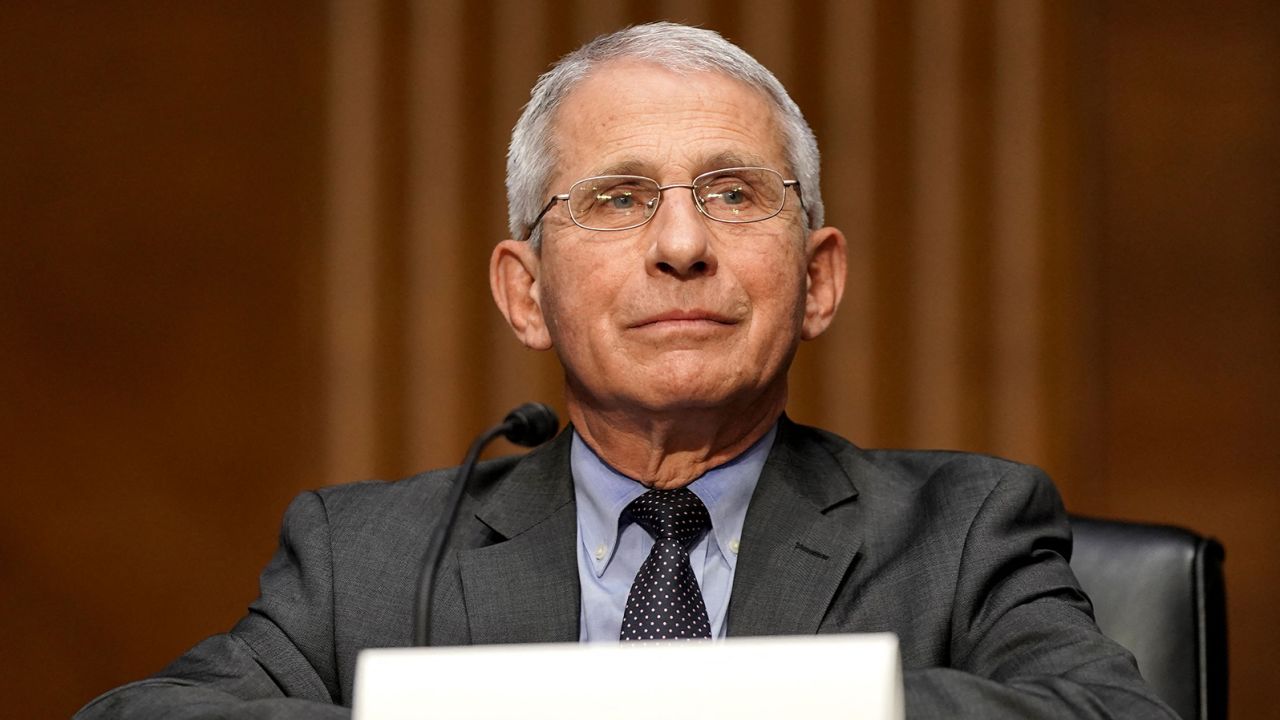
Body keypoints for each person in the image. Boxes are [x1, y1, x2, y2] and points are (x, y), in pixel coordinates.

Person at [76, 22, 1176, 720]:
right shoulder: (365, 557)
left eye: (735, 193)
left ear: (816, 279)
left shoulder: (963, 528)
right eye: (617, 199)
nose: (681, 245)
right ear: (524, 293)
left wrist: (754, 708)